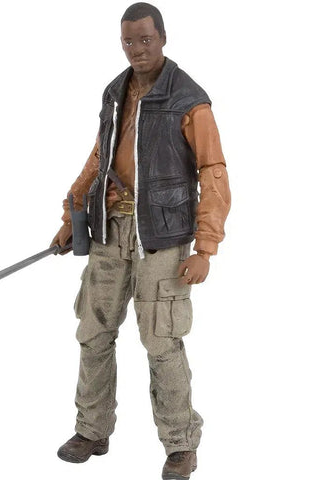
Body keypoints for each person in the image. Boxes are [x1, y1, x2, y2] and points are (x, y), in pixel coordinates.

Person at [50, 3, 230, 479]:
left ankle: (181, 444)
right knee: (93, 332)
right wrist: (73, 214)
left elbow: (212, 169)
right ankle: (92, 430)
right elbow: (99, 157)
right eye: (129, 41)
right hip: (109, 229)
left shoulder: (189, 98)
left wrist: (205, 248)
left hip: (163, 237)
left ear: (163, 38)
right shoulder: (115, 92)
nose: (137, 49)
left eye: (145, 39)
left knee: (162, 339)